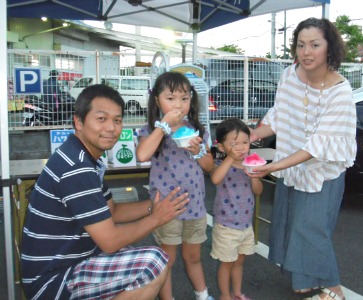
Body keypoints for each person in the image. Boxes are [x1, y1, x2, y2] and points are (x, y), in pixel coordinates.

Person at [21, 84, 190, 300]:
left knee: (157, 258)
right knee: (153, 262)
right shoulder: (76, 167)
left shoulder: (85, 157)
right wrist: (156, 218)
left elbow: (113, 210)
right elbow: (109, 240)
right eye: (101, 119)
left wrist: (153, 206)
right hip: (52, 281)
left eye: (117, 120)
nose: (111, 127)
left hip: (74, 262)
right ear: (78, 122)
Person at [248, 18, 357, 300]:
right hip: (292, 167)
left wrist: (272, 167)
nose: (306, 52)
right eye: (300, 45)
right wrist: (249, 136)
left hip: (323, 172)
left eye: (315, 45)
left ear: (329, 48)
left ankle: (333, 288)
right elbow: (278, 116)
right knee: (292, 222)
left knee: (311, 229)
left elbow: (316, 148)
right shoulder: (290, 74)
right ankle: (305, 281)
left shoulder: (340, 92)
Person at [136, 71, 215, 300]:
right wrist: (163, 127)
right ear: (157, 101)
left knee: (193, 257)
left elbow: (209, 166)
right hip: (167, 207)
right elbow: (142, 155)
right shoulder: (153, 129)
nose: (178, 104)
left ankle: (202, 295)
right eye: (170, 98)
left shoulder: (197, 129)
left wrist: (198, 151)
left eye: (184, 98)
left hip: (195, 206)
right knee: (166, 260)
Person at [210, 119, 263, 300]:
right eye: (234, 144)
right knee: (227, 263)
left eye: (245, 143)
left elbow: (258, 191)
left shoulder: (251, 165)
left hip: (245, 226)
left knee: (239, 262)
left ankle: (237, 293)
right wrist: (231, 158)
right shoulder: (221, 165)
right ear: (222, 147)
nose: (241, 148)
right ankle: (225, 295)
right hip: (226, 226)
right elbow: (215, 179)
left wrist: (254, 176)